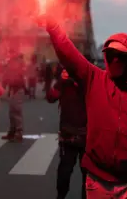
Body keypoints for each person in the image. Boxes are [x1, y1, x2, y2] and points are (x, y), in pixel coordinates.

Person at [39, 16, 127, 199]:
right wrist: (53, 27)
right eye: (110, 55)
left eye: (121, 56)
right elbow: (69, 54)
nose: (115, 60)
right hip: (98, 179)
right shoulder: (95, 80)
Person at [47, 68, 87, 199]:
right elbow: (51, 97)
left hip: (85, 135)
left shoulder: (88, 81)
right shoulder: (64, 82)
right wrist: (61, 81)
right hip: (69, 134)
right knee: (65, 172)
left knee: (87, 176)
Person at [2, 51, 26, 142]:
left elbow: (17, 77)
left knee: (16, 111)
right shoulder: (12, 64)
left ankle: (18, 132)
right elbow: (7, 76)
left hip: (17, 89)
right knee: (12, 112)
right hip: (14, 89)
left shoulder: (18, 64)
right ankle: (12, 131)